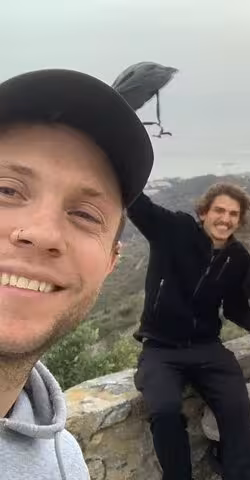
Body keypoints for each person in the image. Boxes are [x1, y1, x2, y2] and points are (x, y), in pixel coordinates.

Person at [0, 68, 155, 478]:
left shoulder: (64, 462)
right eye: (7, 190)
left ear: (110, 263)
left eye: (85, 214)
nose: (42, 234)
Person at [128, 182, 250, 480]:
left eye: (233, 214)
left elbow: (234, 308)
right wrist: (123, 164)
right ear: (203, 212)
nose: (225, 219)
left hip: (206, 347)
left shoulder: (237, 257)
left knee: (237, 406)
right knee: (164, 410)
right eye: (219, 211)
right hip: (160, 348)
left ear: (239, 221)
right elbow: (138, 205)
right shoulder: (175, 229)